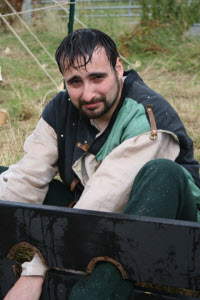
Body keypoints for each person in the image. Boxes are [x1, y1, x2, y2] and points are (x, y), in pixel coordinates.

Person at [1, 28, 200, 299]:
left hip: (162, 222)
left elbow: (104, 201)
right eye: (75, 82)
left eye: (97, 78)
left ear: (118, 67)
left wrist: (36, 270)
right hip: (94, 212)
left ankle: (94, 291)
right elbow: (26, 179)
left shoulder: (147, 115)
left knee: (162, 174)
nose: (88, 94)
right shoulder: (60, 110)